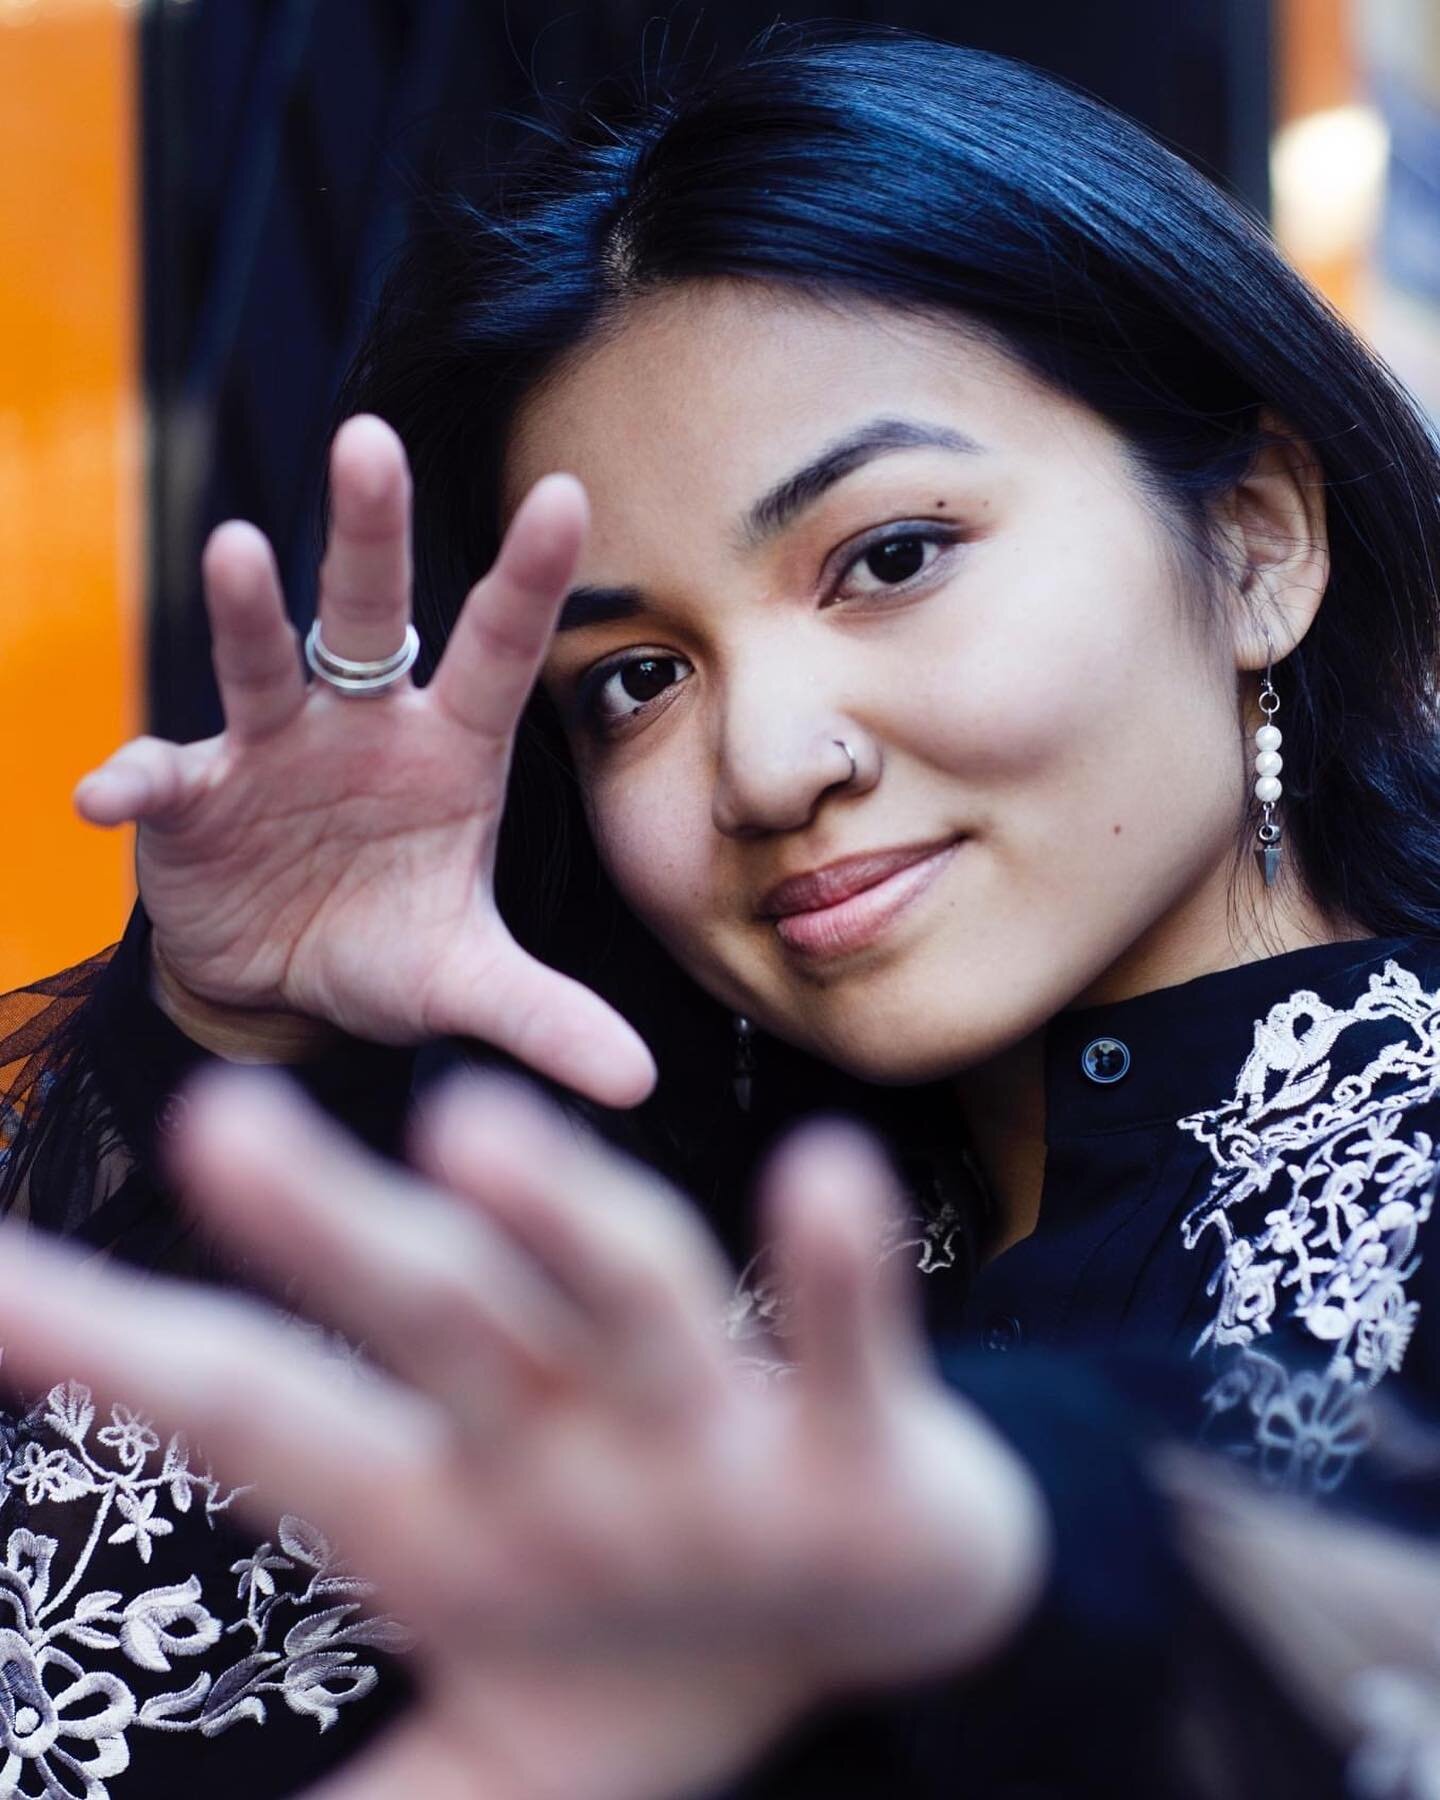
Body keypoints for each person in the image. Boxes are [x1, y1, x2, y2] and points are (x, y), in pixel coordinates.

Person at [5, 17, 1440, 1796]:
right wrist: (243, 1036)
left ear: (1260, 541)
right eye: (637, 678)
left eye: (889, 556)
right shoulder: (660, 1255)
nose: (764, 762)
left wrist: (1036, 1551)